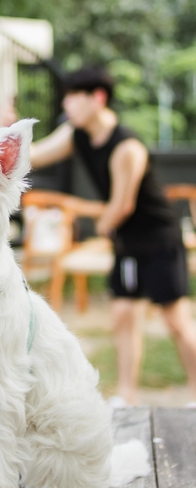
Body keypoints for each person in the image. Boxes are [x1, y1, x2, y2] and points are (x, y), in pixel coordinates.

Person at [31, 65, 196, 404]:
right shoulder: (76, 134)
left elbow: (120, 208)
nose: (67, 107)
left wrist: (78, 209)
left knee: (178, 323)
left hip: (159, 240)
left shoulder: (127, 148)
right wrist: (7, 134)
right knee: (122, 316)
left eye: (74, 98)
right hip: (127, 243)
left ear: (98, 98)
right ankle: (126, 395)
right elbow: (32, 155)